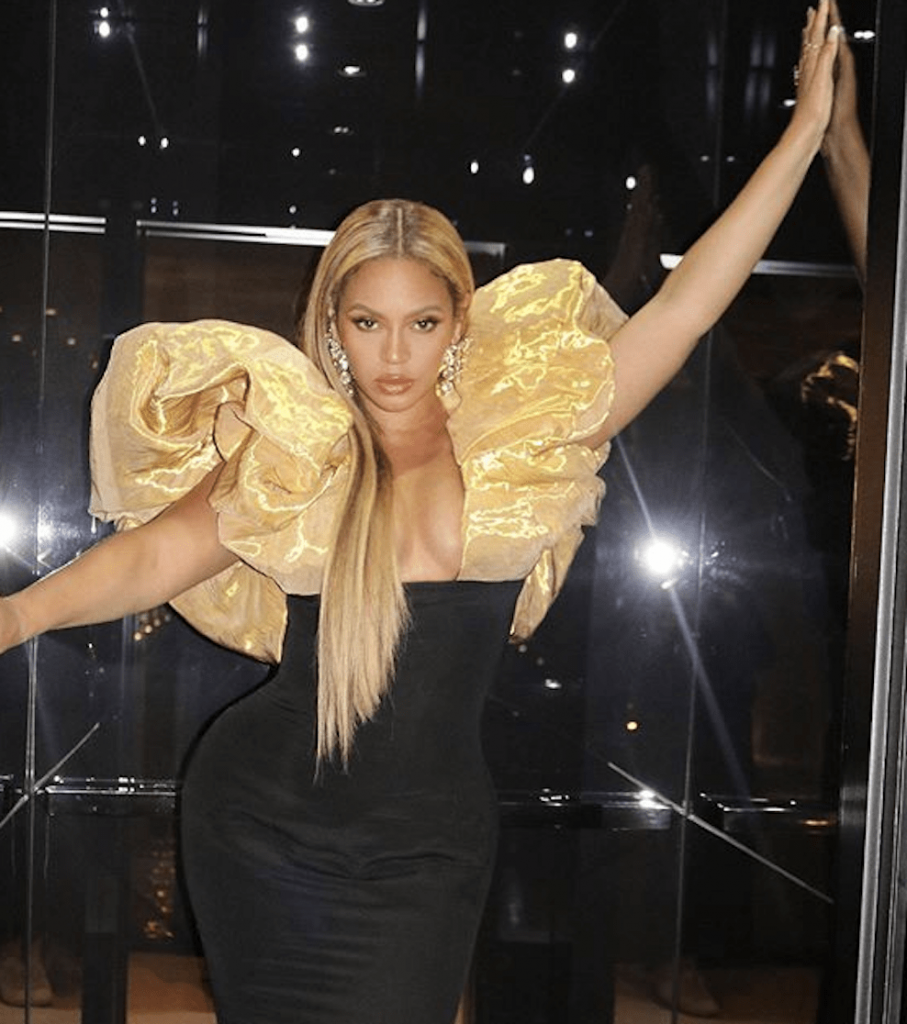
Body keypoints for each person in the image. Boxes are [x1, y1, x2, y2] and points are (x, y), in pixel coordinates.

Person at [0, 5, 841, 1022]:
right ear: (333, 327)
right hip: (264, 823)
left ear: (457, 325)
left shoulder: (522, 438)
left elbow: (687, 304)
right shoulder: (300, 449)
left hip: (429, 846)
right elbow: (147, 559)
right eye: (367, 323)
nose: (393, 354)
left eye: (421, 322)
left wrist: (804, 133)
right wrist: (17, 615)